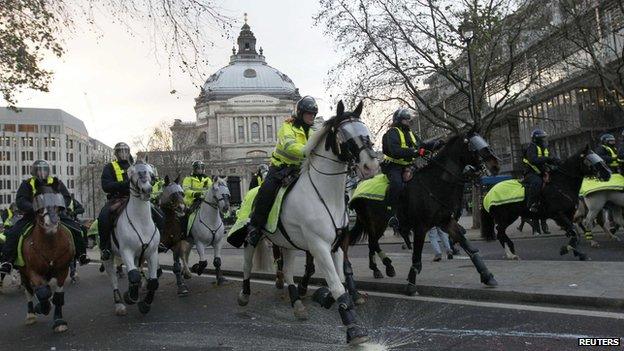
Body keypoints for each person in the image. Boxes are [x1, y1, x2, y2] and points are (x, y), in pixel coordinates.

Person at [240, 95, 317, 248]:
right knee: (266, 192)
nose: (312, 117)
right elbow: (290, 146)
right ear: (300, 113)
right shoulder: (287, 127)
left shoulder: (312, 132)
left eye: (314, 114)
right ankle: (255, 228)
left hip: (300, 169)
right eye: (309, 113)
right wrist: (308, 151)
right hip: (280, 169)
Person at [0, 160, 90, 273]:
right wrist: (33, 207)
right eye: (39, 170)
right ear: (34, 172)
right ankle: (7, 261)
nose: (42, 172)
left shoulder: (57, 182)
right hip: (33, 215)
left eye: (44, 170)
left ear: (48, 171)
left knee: (77, 228)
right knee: (13, 233)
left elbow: (66, 197)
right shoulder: (27, 183)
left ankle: (81, 254)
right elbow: (21, 200)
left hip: (55, 214)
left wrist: (59, 207)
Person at [381, 108, 439, 229]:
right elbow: (395, 151)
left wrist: (435, 144)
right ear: (399, 120)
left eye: (409, 120)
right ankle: (390, 213)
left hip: (409, 166)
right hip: (394, 166)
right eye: (406, 120)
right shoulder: (391, 133)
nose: (409, 122)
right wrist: (415, 152)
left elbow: (421, 145)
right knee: (397, 184)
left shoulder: (411, 133)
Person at [522, 128, 561, 213]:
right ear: (537, 139)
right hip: (531, 173)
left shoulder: (545, 148)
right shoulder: (531, 147)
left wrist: (557, 162)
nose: (544, 140)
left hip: (542, 172)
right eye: (542, 138)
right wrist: (547, 159)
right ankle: (532, 204)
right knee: (537, 183)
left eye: (545, 138)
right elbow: (533, 160)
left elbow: (550, 159)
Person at [180, 160, 213, 235]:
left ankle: (218, 228)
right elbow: (186, 190)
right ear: (194, 169)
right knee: (187, 215)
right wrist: (195, 194)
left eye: (201, 168)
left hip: (205, 200)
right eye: (198, 168)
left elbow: (211, 190)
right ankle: (184, 232)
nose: (200, 170)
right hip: (192, 201)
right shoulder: (188, 179)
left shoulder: (207, 179)